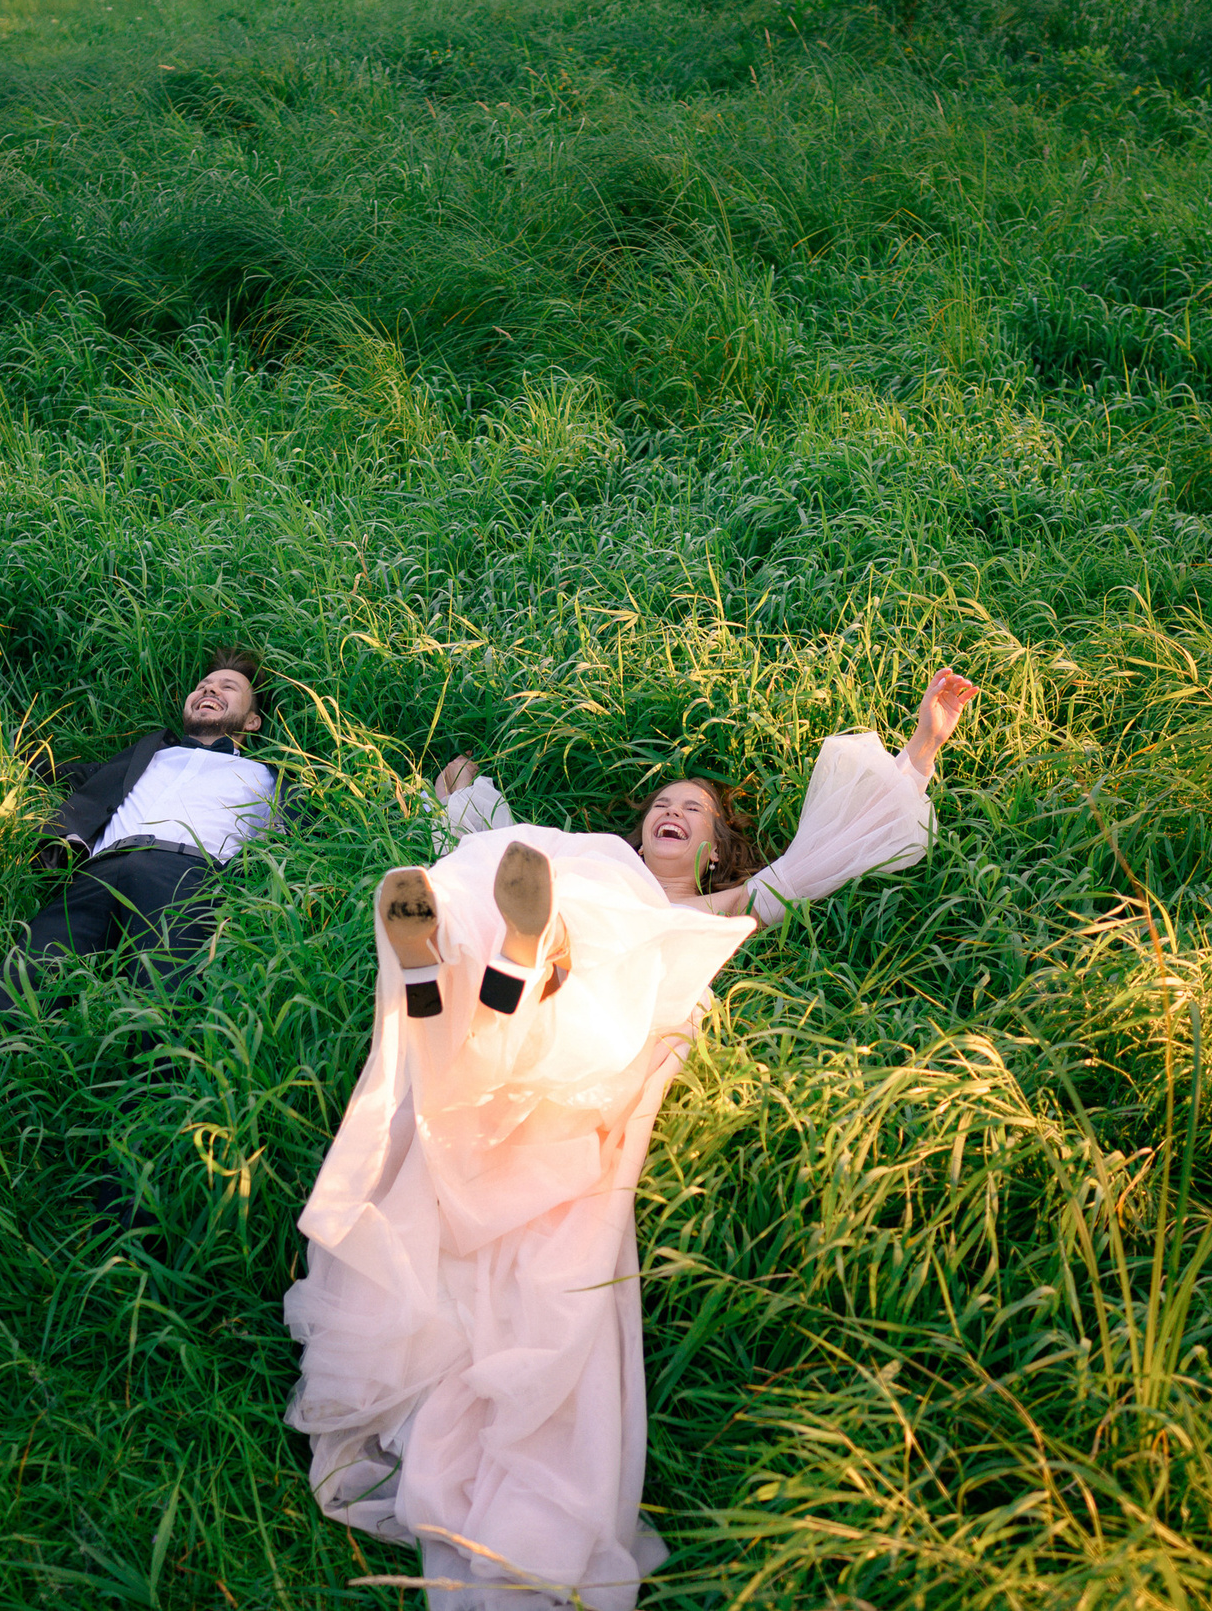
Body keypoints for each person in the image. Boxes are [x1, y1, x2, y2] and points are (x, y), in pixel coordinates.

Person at [283, 669, 979, 1610]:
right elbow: (498, 844)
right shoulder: (581, 867)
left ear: (719, 844)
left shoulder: (717, 909)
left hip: (597, 1035)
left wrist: (924, 747)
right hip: (540, 965)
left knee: (542, 958)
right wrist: (464, 798)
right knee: (536, 872)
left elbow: (840, 845)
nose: (668, 812)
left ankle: (472, 983)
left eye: (689, 810)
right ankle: (457, 970)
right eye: (661, 801)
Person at [0, 645, 279, 1233]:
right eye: (203, 684)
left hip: (189, 881)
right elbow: (53, 771)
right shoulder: (148, 754)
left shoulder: (271, 777)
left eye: (228, 688)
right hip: (96, 875)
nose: (209, 690)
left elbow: (327, 835)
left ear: (252, 721)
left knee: (159, 1026)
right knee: (1, 1004)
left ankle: (126, 1239)